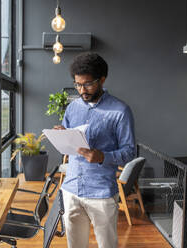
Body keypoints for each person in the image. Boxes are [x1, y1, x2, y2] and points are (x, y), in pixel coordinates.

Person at [54, 52, 135, 248]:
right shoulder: (72, 109)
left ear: (102, 80)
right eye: (78, 84)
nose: (82, 90)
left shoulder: (120, 111)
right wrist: (62, 135)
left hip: (101, 193)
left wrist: (102, 157)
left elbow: (130, 152)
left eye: (88, 84)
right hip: (71, 190)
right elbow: (67, 146)